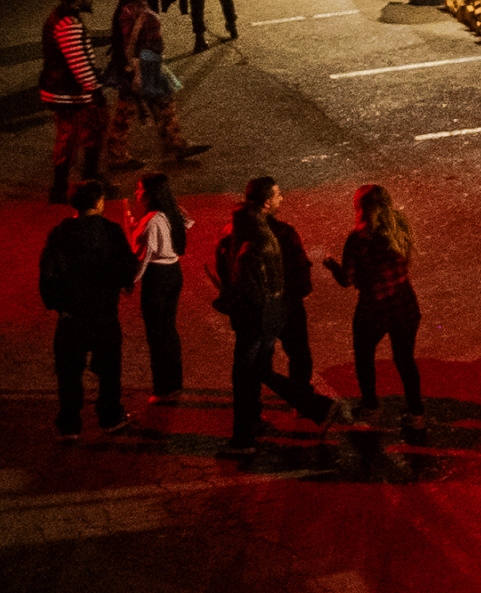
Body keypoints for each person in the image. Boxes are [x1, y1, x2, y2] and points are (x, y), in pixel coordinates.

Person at [219, 177, 333, 451]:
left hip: (254, 319)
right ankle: (308, 403)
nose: (282, 199)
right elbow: (301, 278)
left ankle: (248, 429)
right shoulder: (279, 236)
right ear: (266, 203)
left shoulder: (234, 241)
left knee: (249, 373)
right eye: (279, 195)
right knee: (287, 358)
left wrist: (230, 303)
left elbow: (232, 282)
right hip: (280, 311)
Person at [40, 177, 141, 438]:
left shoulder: (59, 233)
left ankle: (69, 424)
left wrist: (58, 305)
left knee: (69, 374)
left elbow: (47, 275)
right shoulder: (111, 231)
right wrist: (125, 282)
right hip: (104, 314)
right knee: (109, 372)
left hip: (71, 316)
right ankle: (109, 417)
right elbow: (127, 267)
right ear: (98, 203)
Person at [338, 186, 425, 415]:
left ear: (361, 207)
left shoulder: (358, 238)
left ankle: (370, 405)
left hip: (373, 308)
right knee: (405, 360)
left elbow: (347, 279)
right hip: (404, 303)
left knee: (364, 356)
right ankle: (417, 413)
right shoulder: (399, 225)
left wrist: (330, 266)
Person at [36, 0, 105, 202]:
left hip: (64, 89)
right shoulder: (68, 23)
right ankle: (64, 187)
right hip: (68, 93)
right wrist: (94, 88)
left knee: (85, 132)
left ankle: (84, 180)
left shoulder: (62, 17)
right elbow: (77, 62)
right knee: (71, 136)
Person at [127, 173, 191, 411]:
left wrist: (132, 280)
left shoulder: (153, 220)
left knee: (156, 333)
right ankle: (175, 381)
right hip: (175, 271)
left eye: (140, 189)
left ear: (151, 194)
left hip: (157, 276)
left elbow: (144, 256)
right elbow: (187, 223)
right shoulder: (171, 212)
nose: (137, 193)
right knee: (169, 328)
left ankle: (162, 387)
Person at [110, 0, 191, 172]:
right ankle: (173, 144)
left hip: (131, 68)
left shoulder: (123, 13)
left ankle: (174, 144)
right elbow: (147, 47)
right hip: (144, 69)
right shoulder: (145, 16)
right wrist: (141, 74)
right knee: (139, 109)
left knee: (147, 107)